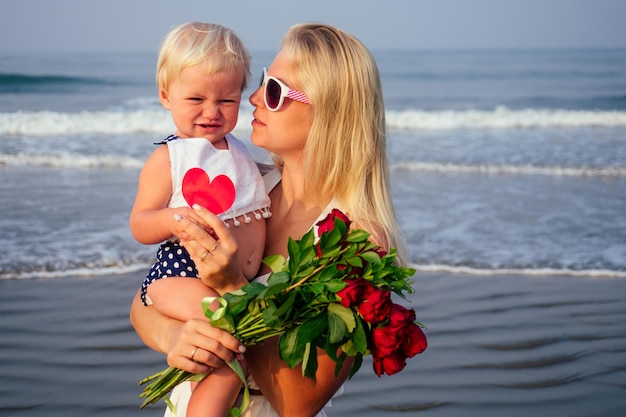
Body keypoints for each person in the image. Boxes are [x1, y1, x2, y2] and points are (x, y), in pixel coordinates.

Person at [130, 22, 408, 417]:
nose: (255, 98)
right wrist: (174, 335)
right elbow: (146, 298)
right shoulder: (246, 186)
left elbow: (299, 404)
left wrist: (232, 286)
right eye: (262, 82)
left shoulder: (358, 238)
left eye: (275, 91)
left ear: (329, 110)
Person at [129, 22, 270, 417]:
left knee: (218, 355)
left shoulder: (241, 154)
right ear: (165, 96)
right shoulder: (169, 159)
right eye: (196, 99)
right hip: (182, 276)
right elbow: (139, 223)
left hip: (223, 279)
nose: (212, 112)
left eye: (227, 101)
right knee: (227, 349)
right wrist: (174, 219)